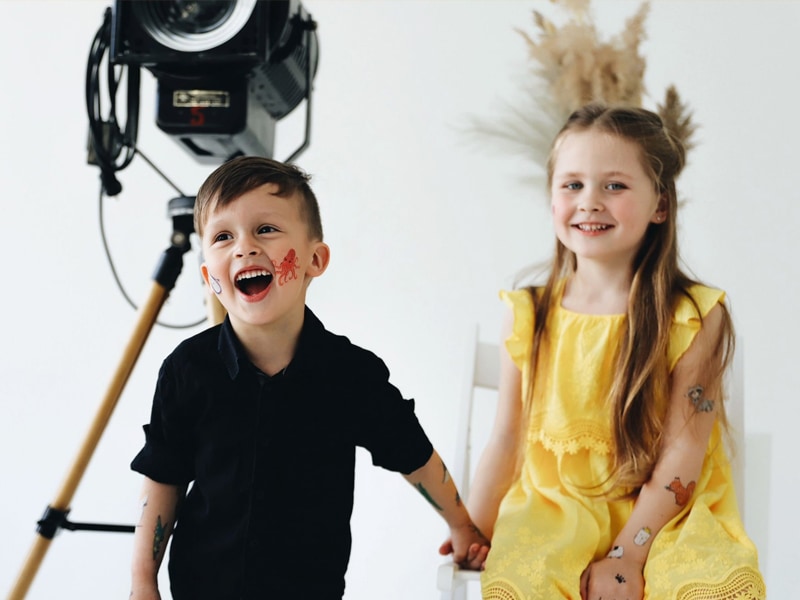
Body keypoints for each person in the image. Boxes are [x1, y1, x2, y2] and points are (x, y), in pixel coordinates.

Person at [128, 156, 489, 600]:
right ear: (209, 277)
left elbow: (413, 453)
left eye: (265, 229)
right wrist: (142, 583)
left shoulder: (351, 374)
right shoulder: (186, 371)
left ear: (314, 260)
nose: (244, 247)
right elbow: (163, 477)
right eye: (223, 236)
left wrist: (462, 526)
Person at [467, 103, 766, 599]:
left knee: (713, 588)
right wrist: (473, 528)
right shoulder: (529, 314)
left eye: (615, 185)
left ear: (660, 206)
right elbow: (505, 439)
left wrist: (628, 554)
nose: (589, 202)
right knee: (522, 586)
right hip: (553, 513)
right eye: (572, 184)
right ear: (552, 198)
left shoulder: (694, 315)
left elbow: (683, 453)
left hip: (667, 516)